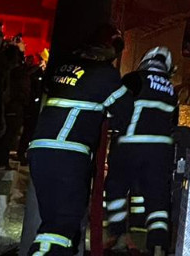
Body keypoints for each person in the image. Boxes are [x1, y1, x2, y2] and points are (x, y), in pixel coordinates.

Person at [27, 25, 131, 255]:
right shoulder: (104, 74)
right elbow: (125, 112)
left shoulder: (63, 66)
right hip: (67, 153)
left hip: (40, 150)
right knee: (63, 225)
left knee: (53, 222)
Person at [103, 46, 179, 256]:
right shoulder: (171, 89)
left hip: (130, 145)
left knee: (116, 188)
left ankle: (118, 234)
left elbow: (117, 107)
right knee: (157, 198)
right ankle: (158, 244)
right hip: (161, 151)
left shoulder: (134, 79)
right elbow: (173, 123)